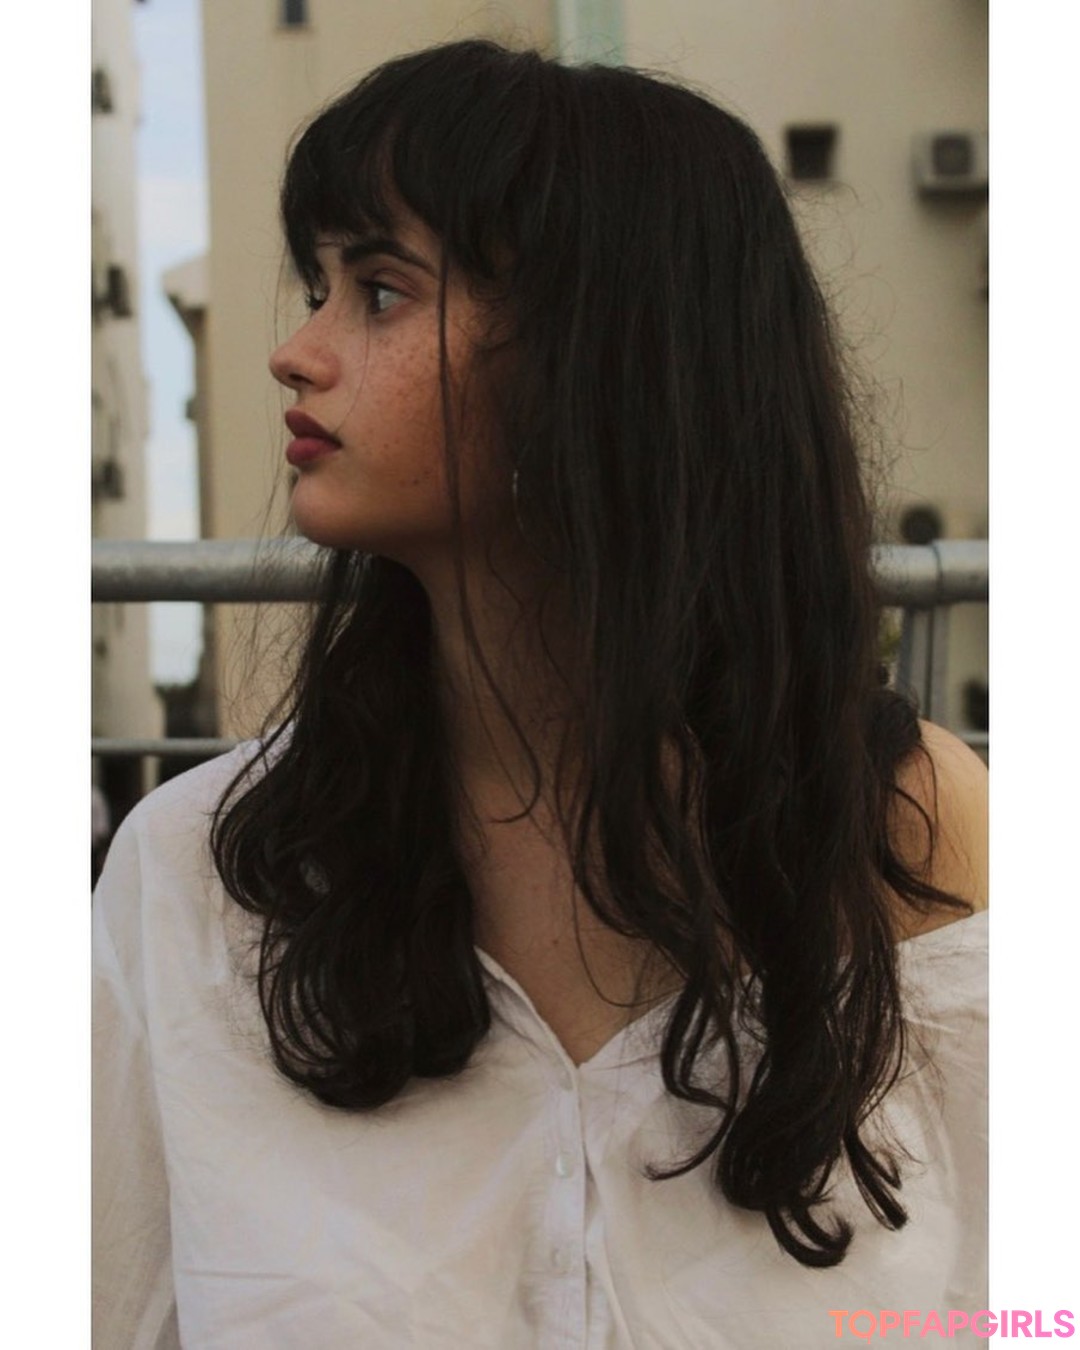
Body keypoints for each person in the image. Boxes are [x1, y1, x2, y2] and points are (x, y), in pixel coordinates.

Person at [92, 39, 988, 1348]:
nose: (295, 351)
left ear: (605, 352)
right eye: (317, 286)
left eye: (379, 290)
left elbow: (1029, 1306)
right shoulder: (198, 874)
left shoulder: (909, 827)